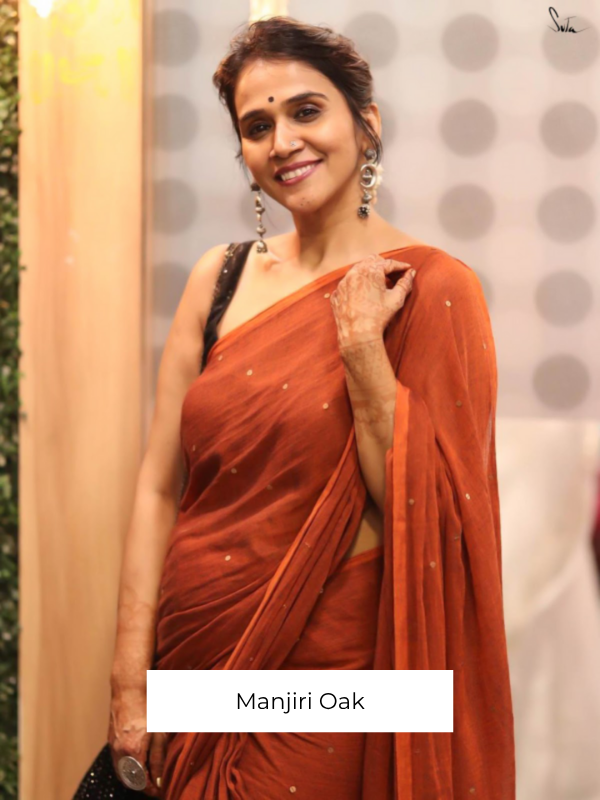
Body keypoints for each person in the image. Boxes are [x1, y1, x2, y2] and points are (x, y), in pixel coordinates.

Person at [107, 16, 515, 800]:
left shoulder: (433, 289)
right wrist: (131, 678)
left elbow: (428, 513)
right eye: (257, 127)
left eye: (306, 111)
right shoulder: (219, 278)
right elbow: (160, 487)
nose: (283, 142)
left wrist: (362, 349)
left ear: (366, 124)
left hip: (330, 675)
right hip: (195, 650)